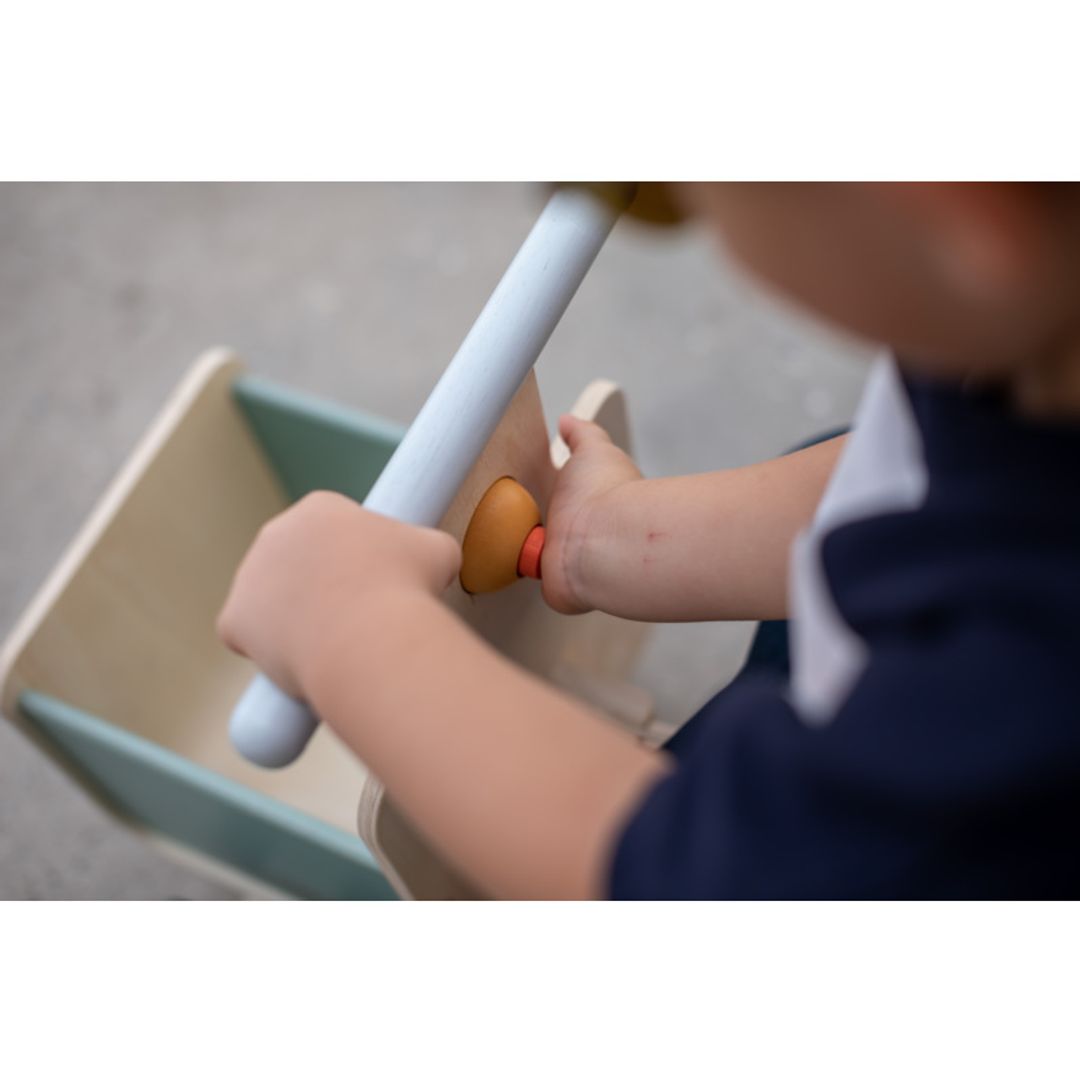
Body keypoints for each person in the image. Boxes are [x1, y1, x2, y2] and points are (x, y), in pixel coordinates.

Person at [217, 183, 1080, 898]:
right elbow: (901, 488)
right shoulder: (1034, 343)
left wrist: (350, 631)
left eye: (685, 193)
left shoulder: (1014, 702)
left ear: (954, 208)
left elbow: (693, 888)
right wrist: (607, 542)